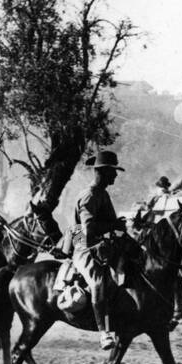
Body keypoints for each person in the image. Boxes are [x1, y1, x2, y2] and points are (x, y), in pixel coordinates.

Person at [70, 150, 126, 350]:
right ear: (102, 172)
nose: (116, 176)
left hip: (100, 246)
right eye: (113, 171)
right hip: (85, 247)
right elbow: (88, 229)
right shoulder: (90, 195)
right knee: (99, 281)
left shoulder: (102, 193)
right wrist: (114, 225)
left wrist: (116, 224)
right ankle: (104, 333)